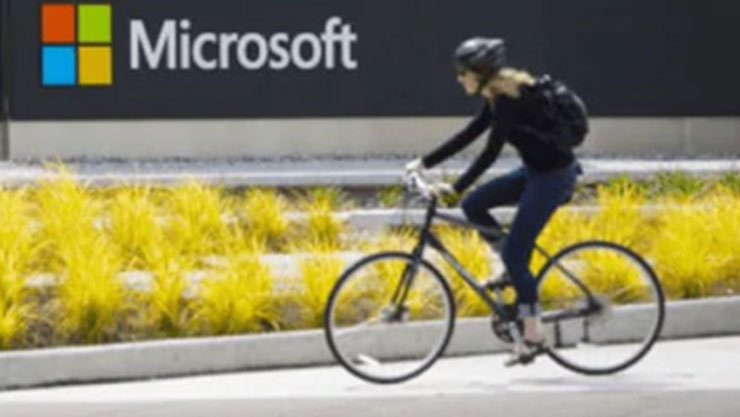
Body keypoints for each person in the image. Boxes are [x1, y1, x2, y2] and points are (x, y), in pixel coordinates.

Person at [405, 37, 585, 366]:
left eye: (463, 73)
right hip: (534, 172)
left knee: (517, 253)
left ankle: (533, 337)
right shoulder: (497, 95)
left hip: (553, 179)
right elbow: (471, 133)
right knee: (474, 206)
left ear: (480, 73)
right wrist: (424, 162)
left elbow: (489, 153)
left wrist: (455, 186)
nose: (459, 79)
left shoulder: (509, 99)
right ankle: (512, 271)